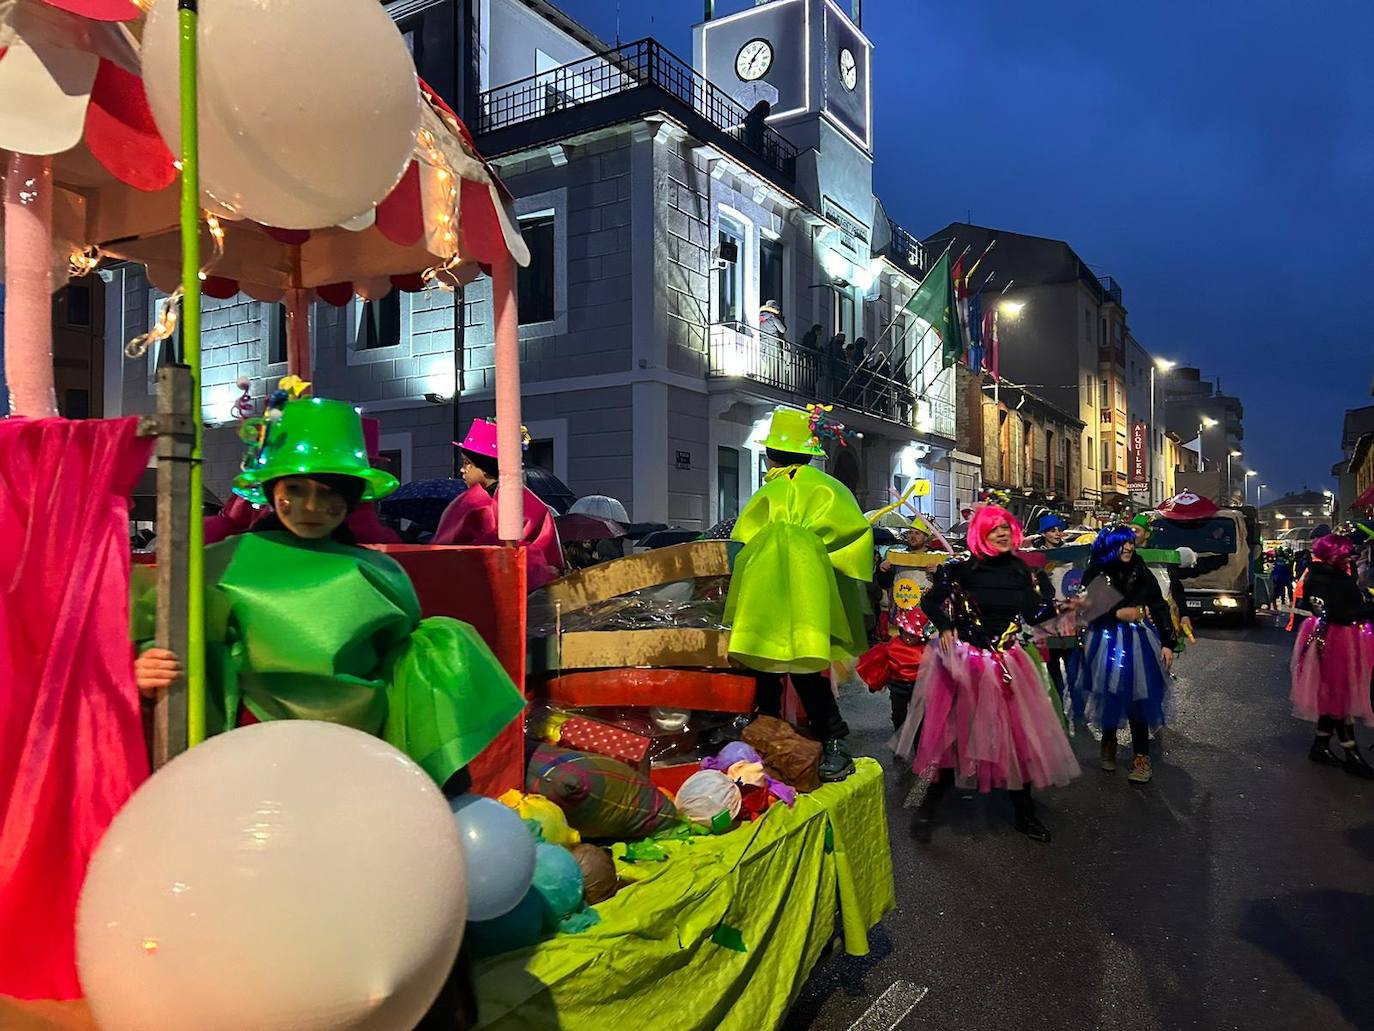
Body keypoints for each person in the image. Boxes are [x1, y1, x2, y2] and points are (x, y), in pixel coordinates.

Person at [134, 392, 524, 790]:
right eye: (295, 490)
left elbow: (413, 684)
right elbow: (178, 638)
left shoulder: (380, 574)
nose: (311, 507)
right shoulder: (222, 564)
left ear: (351, 496)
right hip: (252, 765)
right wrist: (150, 665)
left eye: (330, 492)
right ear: (271, 489)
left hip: (356, 768)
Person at [893, 506, 1080, 842]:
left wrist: (1062, 608)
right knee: (955, 739)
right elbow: (931, 603)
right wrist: (947, 626)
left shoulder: (1021, 571)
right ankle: (929, 811)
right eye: (995, 530)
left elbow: (1033, 613)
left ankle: (1024, 814)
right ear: (981, 534)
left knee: (1017, 739)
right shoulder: (960, 570)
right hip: (967, 663)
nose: (1003, 534)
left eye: (1007, 528)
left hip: (1008, 663)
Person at [725, 405, 873, 782]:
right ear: (810, 452)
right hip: (808, 593)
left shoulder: (772, 490)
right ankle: (809, 739)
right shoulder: (827, 488)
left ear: (772, 453)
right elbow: (853, 538)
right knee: (803, 670)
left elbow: (740, 543)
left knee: (767, 667)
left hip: (767, 595)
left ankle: (779, 733)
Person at [1077, 524, 1177, 785]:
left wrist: (1168, 642)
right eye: (1124, 542)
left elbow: (1158, 604)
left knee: (1137, 695)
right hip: (1105, 641)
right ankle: (1108, 739)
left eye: (1131, 542)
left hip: (1136, 639)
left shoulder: (1139, 568)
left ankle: (1141, 756)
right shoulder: (1097, 570)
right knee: (1110, 692)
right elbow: (1085, 610)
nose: (1130, 547)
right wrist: (1115, 614)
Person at [433, 418, 565, 590]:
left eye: (468, 463)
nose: (462, 470)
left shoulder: (485, 503)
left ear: (485, 466)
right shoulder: (525, 501)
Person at [1290, 534, 1374, 778]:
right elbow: (1340, 612)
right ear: (1334, 554)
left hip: (1336, 636)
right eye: (1346, 553)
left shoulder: (1325, 574)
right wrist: (1368, 609)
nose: (1350, 556)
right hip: (1334, 639)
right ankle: (1352, 755)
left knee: (1334, 693)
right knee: (1339, 694)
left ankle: (1320, 746)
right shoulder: (1326, 578)